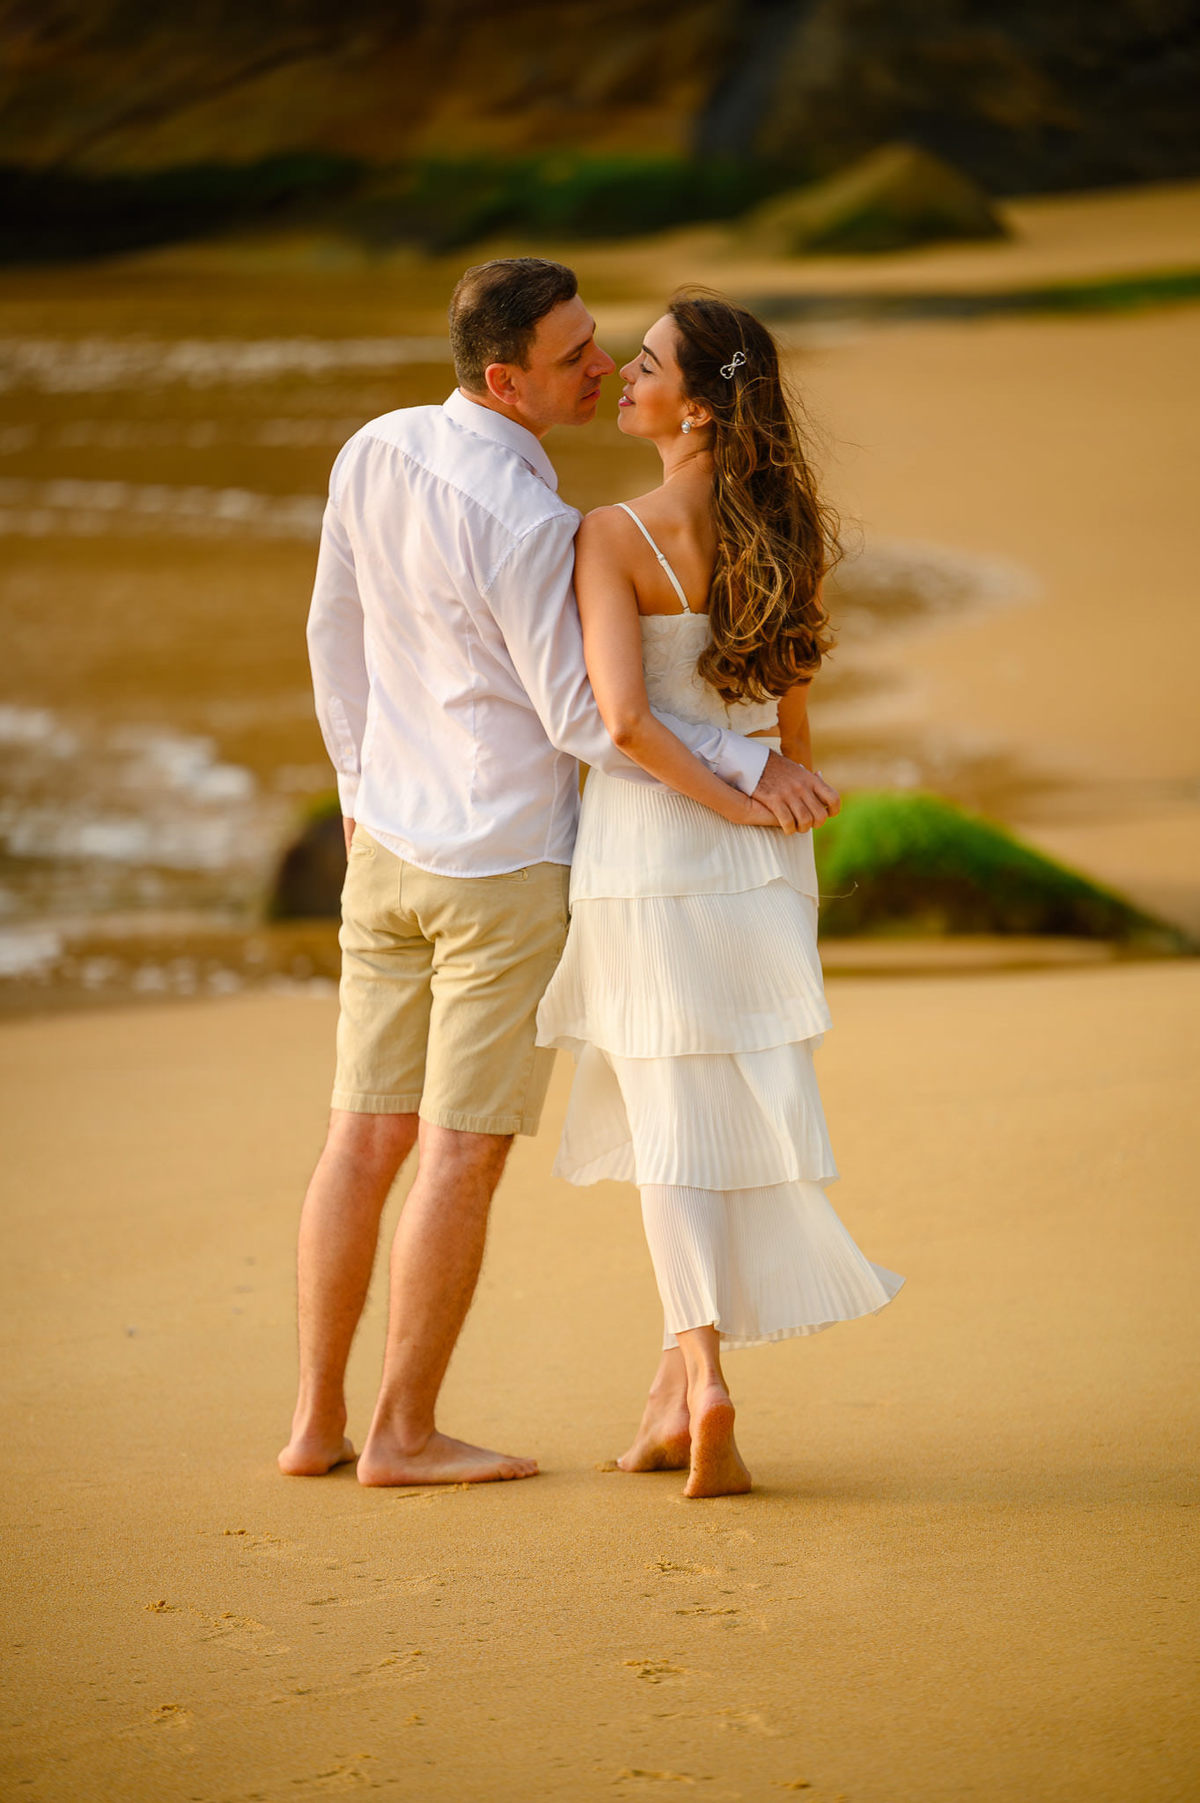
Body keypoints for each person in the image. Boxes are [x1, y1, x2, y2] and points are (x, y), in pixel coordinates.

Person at [280, 260, 834, 1486]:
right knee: (459, 1152)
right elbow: (593, 718)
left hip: (389, 850)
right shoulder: (535, 522)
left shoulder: (376, 448)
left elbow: (335, 634)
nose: (599, 365)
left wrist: (362, 795)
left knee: (359, 1139)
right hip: (508, 863)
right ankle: (403, 1435)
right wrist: (752, 769)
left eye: (607, 347)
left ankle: (316, 1423)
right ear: (505, 376)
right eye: (579, 352)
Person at [536, 294, 904, 1499]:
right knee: (717, 1115)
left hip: (655, 844)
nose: (622, 377)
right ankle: (665, 1402)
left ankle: (702, 1379)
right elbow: (788, 720)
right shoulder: (780, 529)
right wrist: (765, 799)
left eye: (642, 365)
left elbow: (625, 722)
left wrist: (734, 800)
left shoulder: (611, 533)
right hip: (761, 859)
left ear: (695, 403)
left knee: (670, 1128)